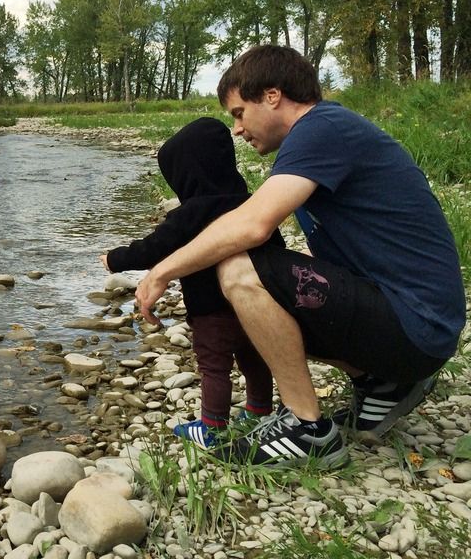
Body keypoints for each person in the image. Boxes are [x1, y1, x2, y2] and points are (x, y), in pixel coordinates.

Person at [134, 44, 466, 469]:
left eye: (238, 112)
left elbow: (252, 225)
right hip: (417, 323)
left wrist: (162, 270)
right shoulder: (323, 134)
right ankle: (382, 384)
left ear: (272, 96)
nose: (237, 129)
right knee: (270, 294)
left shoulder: (321, 128)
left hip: (417, 324)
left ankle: (308, 430)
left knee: (239, 268)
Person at [102, 117, 281, 448]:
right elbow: (277, 248)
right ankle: (259, 409)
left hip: (211, 311)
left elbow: (152, 249)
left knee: (214, 366)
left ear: (184, 175)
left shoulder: (190, 213)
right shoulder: (251, 205)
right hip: (258, 303)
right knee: (254, 357)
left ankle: (213, 427)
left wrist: (115, 258)